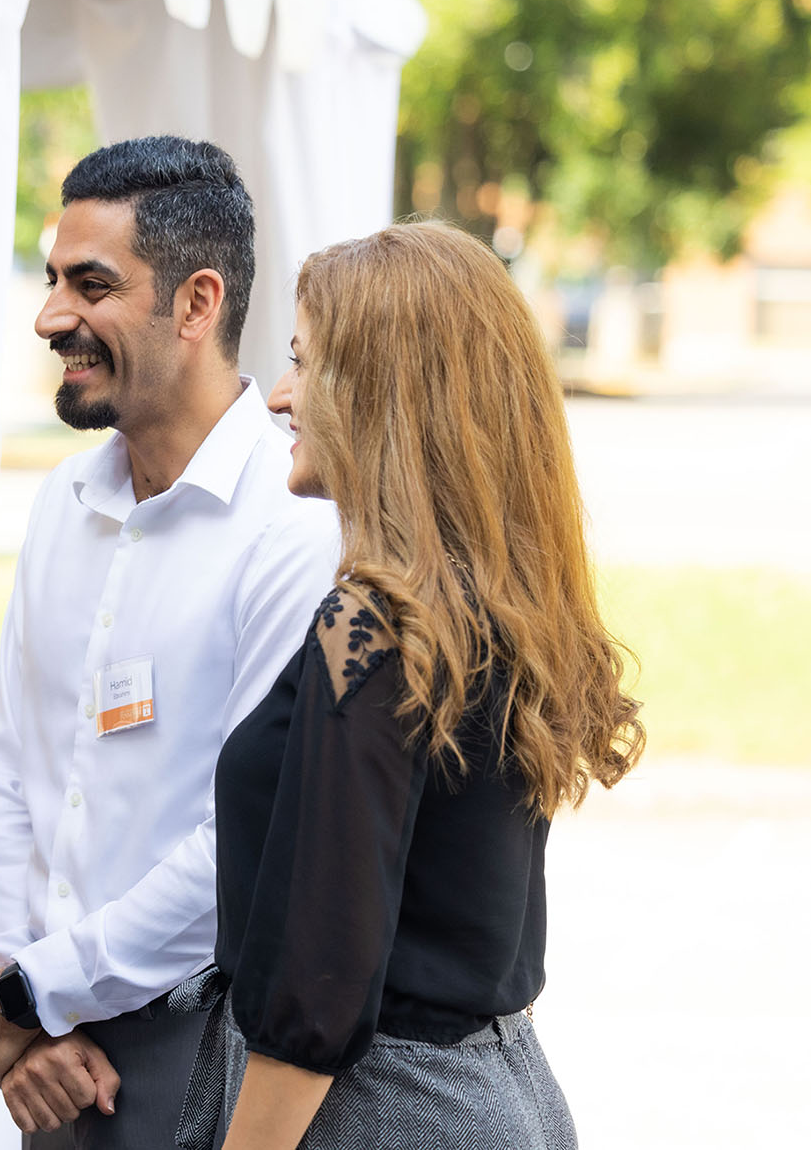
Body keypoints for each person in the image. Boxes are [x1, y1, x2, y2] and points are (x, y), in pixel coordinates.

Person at [210, 221, 646, 1150]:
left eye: (303, 362)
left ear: (385, 393)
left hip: (377, 1111)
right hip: (502, 1089)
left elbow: (317, 984)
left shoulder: (369, 626)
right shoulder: (491, 610)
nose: (280, 395)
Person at [0, 136, 340, 1147]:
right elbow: (6, 760)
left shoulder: (293, 521)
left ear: (196, 302)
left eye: (90, 285)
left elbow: (252, 843)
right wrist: (11, 996)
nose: (49, 317)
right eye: (51, 281)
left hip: (208, 1050)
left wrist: (40, 988)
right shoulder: (61, 501)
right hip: (45, 1054)